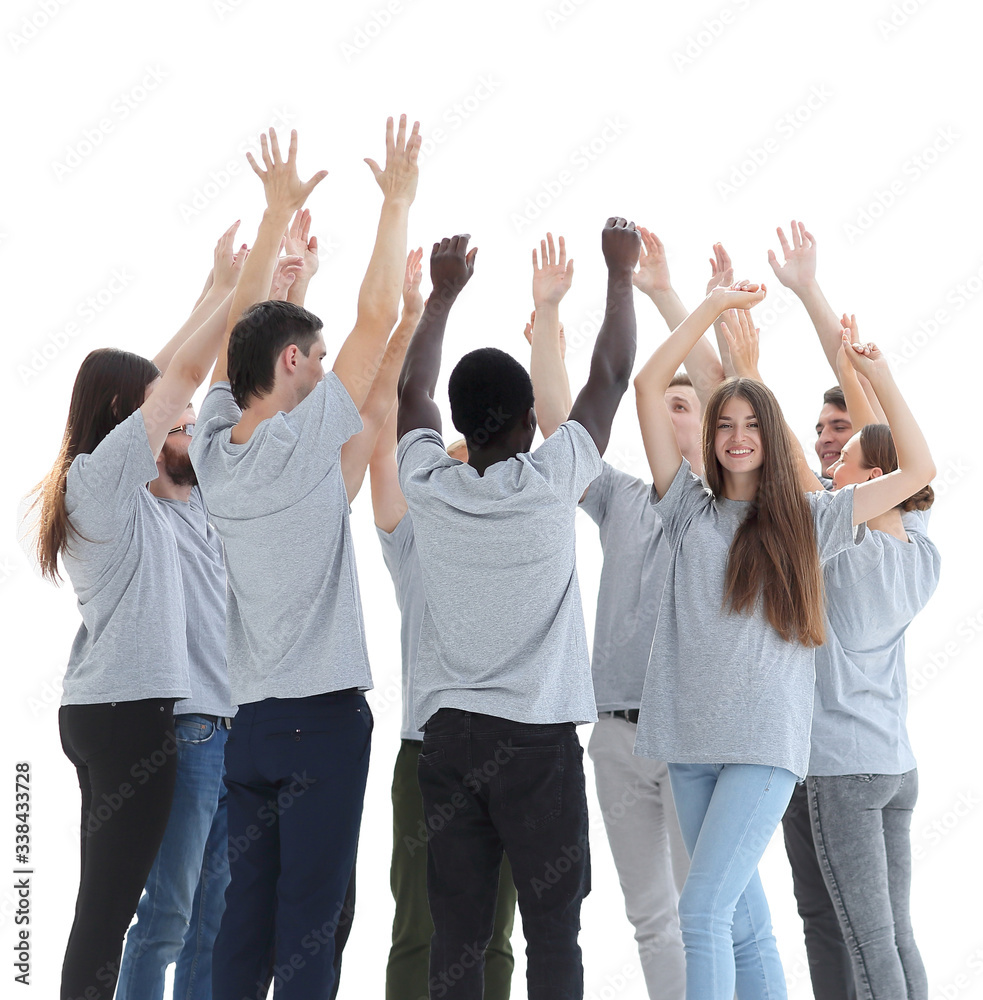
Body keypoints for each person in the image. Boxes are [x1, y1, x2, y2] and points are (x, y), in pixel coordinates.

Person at [631, 291, 935, 999]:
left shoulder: (809, 518)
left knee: (700, 910)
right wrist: (707, 306)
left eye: (750, 424)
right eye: (723, 424)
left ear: (770, 436)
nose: (737, 436)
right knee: (737, 920)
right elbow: (649, 384)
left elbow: (915, 473)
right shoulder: (684, 510)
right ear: (708, 436)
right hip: (688, 743)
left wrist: (881, 377)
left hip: (763, 749)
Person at [188, 119, 419, 1000]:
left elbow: (229, 343)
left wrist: (276, 217)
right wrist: (395, 199)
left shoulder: (213, 445)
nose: (331, 370)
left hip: (248, 727)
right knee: (312, 923)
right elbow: (376, 318)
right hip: (320, 724)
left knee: (245, 921)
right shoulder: (303, 438)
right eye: (317, 360)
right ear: (292, 363)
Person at [395, 219, 641, 1000]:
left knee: (459, 938)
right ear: (533, 421)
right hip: (536, 750)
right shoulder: (551, 480)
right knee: (551, 935)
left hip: (449, 743)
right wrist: (617, 272)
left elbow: (411, 394)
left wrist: (440, 296)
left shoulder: (428, 486)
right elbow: (610, 370)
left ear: (461, 429)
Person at [29, 222, 237, 1000]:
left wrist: (219, 283)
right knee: (111, 914)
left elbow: (175, 375)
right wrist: (222, 293)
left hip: (112, 709)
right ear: (123, 412)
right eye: (153, 409)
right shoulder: (102, 480)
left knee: (114, 910)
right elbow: (177, 376)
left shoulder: (120, 492)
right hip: (127, 716)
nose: (174, 419)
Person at [527, 228, 736, 999]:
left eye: (683, 403)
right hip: (613, 735)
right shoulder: (617, 496)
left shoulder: (724, 510)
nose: (670, 411)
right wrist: (546, 317)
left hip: (689, 731)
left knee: (702, 911)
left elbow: (729, 388)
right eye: (666, 401)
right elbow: (559, 422)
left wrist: (668, 295)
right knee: (650, 915)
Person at [340, 250, 518, 1000]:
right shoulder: (412, 538)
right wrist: (409, 320)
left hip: (514, 747)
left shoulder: (523, 533)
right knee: (418, 927)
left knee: (493, 940)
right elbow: (387, 445)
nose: (458, 475)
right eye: (441, 467)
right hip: (427, 753)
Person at [804, 316, 939, 1000]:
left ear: (868, 479)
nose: (829, 463)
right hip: (895, 766)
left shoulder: (835, 551)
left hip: (842, 770)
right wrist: (869, 371)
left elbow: (877, 452)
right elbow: (893, 453)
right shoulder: (919, 550)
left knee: (866, 944)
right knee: (897, 936)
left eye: (841, 460)